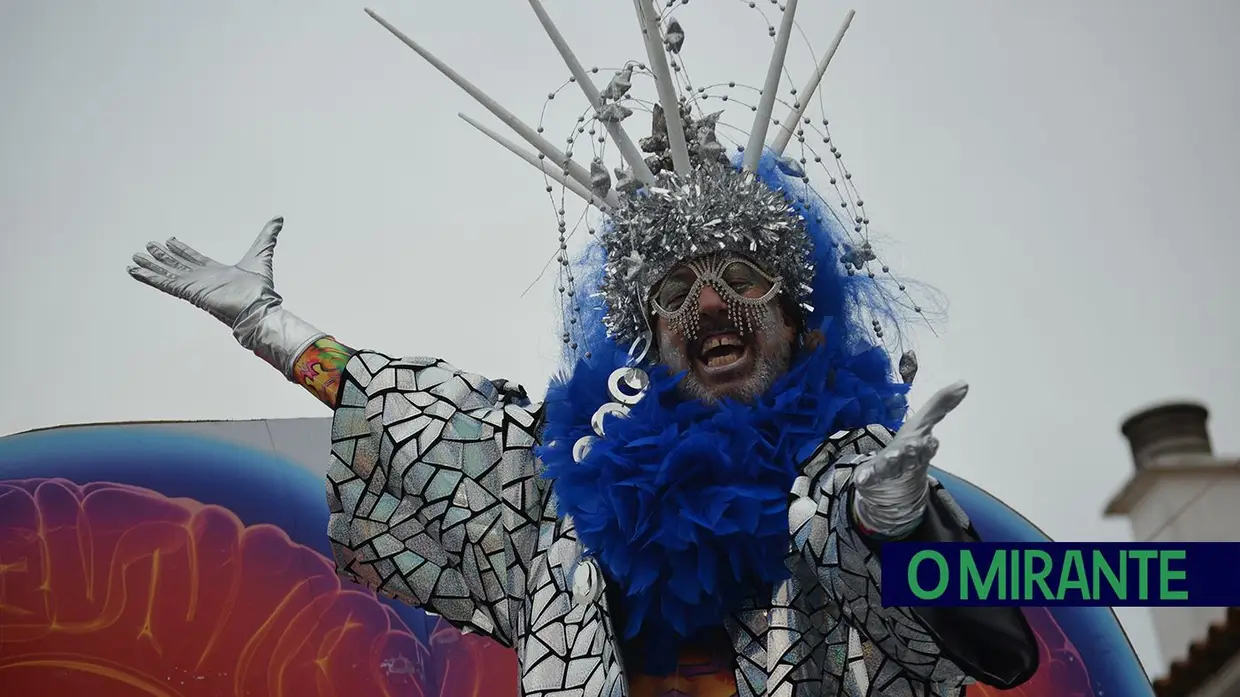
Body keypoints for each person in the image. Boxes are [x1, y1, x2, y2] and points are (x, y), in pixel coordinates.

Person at [125, 4, 1040, 696]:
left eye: (739, 277)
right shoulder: (569, 487)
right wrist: (268, 325)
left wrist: (904, 525)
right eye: (676, 293)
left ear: (798, 322)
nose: (710, 305)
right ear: (649, 338)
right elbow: (417, 418)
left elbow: (1001, 648)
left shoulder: (842, 474)